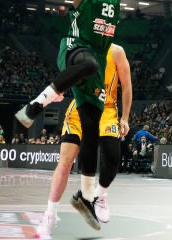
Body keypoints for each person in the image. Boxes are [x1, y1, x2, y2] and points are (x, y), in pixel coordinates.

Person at [15, 0, 161, 229]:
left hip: (92, 68)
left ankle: (86, 195)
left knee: (93, 136)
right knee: (92, 63)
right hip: (74, 47)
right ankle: (40, 101)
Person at [38, 43, 132, 235]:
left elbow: (127, 85)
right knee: (65, 163)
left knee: (113, 157)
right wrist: (58, 89)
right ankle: (50, 213)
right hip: (80, 108)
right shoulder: (81, 47)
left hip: (107, 110)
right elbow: (68, 74)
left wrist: (125, 118)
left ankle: (100, 195)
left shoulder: (116, 51)